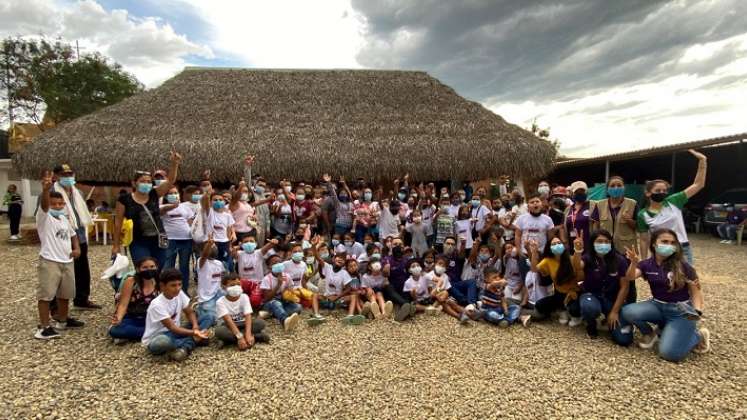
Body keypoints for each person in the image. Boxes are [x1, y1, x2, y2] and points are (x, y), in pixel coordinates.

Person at [621, 229, 711, 362]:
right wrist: (634, 263)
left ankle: (698, 336)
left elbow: (695, 292)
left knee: (669, 354)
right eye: (664, 241)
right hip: (657, 304)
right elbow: (630, 277)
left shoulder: (684, 267)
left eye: (672, 243)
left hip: (681, 311)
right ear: (654, 244)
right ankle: (650, 333)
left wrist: (696, 311)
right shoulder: (646, 264)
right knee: (627, 311)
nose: (669, 245)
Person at [34, 171, 83, 339]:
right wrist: (46, 190)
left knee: (65, 294)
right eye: (54, 204)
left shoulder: (64, 219)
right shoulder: (44, 217)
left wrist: (77, 248)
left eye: (60, 204)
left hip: (67, 260)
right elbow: (44, 205)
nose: (57, 207)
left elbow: (73, 234)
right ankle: (44, 326)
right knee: (46, 294)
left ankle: (62, 320)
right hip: (50, 261)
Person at [113, 152, 182, 269]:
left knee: (158, 269)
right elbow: (118, 222)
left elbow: (170, 181)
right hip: (138, 241)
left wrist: (174, 164)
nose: (146, 184)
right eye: (143, 181)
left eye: (149, 182)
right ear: (134, 183)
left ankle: (156, 287)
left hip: (159, 240)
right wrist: (116, 245)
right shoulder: (124, 200)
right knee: (143, 268)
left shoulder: (155, 194)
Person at [637, 149, 707, 264]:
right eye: (658, 190)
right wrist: (644, 262)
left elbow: (698, 184)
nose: (662, 193)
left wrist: (703, 161)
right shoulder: (643, 215)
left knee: (686, 280)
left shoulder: (674, 201)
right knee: (663, 280)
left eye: (664, 190)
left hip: (682, 248)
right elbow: (644, 240)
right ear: (648, 193)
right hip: (660, 251)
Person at [571, 230, 633, 343]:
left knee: (624, 339)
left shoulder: (620, 260)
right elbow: (577, 266)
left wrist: (614, 311)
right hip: (592, 295)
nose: (603, 244)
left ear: (611, 243)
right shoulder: (588, 257)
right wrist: (578, 250)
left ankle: (608, 319)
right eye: (599, 241)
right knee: (589, 307)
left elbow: (625, 287)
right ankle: (591, 324)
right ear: (593, 243)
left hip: (612, 299)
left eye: (606, 241)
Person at [52, 164, 98, 310]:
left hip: (79, 233)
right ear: (56, 176)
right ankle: (55, 305)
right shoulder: (52, 192)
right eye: (64, 175)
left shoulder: (78, 192)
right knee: (59, 270)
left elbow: (80, 212)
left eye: (70, 174)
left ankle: (82, 298)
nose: (68, 177)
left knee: (82, 268)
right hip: (61, 235)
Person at [141, 269, 212, 362]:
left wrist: (195, 327)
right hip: (159, 336)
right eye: (173, 285)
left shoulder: (179, 293)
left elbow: (189, 312)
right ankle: (191, 343)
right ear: (162, 286)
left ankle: (186, 344)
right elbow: (172, 327)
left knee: (208, 317)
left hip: (177, 332)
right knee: (163, 342)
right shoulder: (156, 304)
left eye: (179, 284)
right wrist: (195, 333)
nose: (177, 288)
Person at [528, 236, 582, 326]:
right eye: (553, 244)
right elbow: (534, 269)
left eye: (559, 243)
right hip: (559, 293)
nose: (557, 245)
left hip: (574, 293)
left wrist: (578, 250)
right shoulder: (547, 261)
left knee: (574, 309)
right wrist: (534, 253)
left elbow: (580, 273)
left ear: (563, 245)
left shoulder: (571, 258)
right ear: (549, 248)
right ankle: (561, 309)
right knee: (539, 305)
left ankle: (575, 314)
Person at [109, 257, 160, 343]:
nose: (149, 270)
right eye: (145, 267)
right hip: (132, 318)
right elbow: (123, 304)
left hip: (151, 319)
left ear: (157, 267)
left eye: (152, 267)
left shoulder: (160, 282)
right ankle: (151, 335)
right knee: (114, 330)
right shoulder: (131, 281)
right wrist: (118, 318)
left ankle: (134, 336)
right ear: (138, 269)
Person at [214, 273, 270, 349]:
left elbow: (248, 315)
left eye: (238, 284)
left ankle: (227, 341)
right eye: (232, 285)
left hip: (243, 323)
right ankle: (257, 336)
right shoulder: (220, 302)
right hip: (228, 325)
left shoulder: (244, 297)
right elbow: (228, 320)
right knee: (219, 331)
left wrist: (248, 334)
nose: (236, 287)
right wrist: (240, 337)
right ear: (224, 287)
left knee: (260, 323)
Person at [160, 185, 195, 292]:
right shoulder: (162, 206)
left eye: (175, 193)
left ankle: (183, 290)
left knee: (184, 266)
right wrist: (172, 206)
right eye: (170, 193)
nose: (174, 195)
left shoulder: (185, 207)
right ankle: (166, 290)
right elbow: (161, 212)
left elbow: (190, 222)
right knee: (167, 265)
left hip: (186, 239)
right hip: (169, 239)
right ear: (166, 196)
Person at [590, 176, 638, 254]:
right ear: (607, 189)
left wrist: (629, 221)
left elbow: (637, 227)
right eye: (612, 186)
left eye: (619, 185)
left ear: (624, 188)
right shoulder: (599, 204)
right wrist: (596, 241)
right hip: (605, 247)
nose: (616, 188)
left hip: (626, 248)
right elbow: (596, 225)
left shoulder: (633, 204)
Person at [260, 254, 302, 332]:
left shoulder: (287, 276)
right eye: (274, 263)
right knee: (276, 304)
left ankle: (272, 313)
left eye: (279, 262)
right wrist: (278, 284)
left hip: (283, 301)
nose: (278, 264)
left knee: (298, 307)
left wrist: (291, 295)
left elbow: (290, 289)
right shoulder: (267, 279)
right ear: (269, 267)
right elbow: (267, 298)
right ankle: (285, 321)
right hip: (270, 302)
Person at [196, 236, 227, 325]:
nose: (213, 247)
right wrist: (209, 245)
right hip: (207, 298)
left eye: (214, 246)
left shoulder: (219, 263)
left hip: (218, 294)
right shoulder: (201, 262)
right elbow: (204, 256)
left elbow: (223, 278)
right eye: (210, 246)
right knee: (212, 317)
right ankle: (199, 310)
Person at [561, 181, 592, 253]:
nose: (580, 193)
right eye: (577, 191)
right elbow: (562, 226)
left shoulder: (592, 206)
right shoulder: (568, 209)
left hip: (589, 247)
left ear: (586, 192)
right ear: (572, 194)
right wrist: (564, 242)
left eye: (582, 191)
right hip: (572, 246)